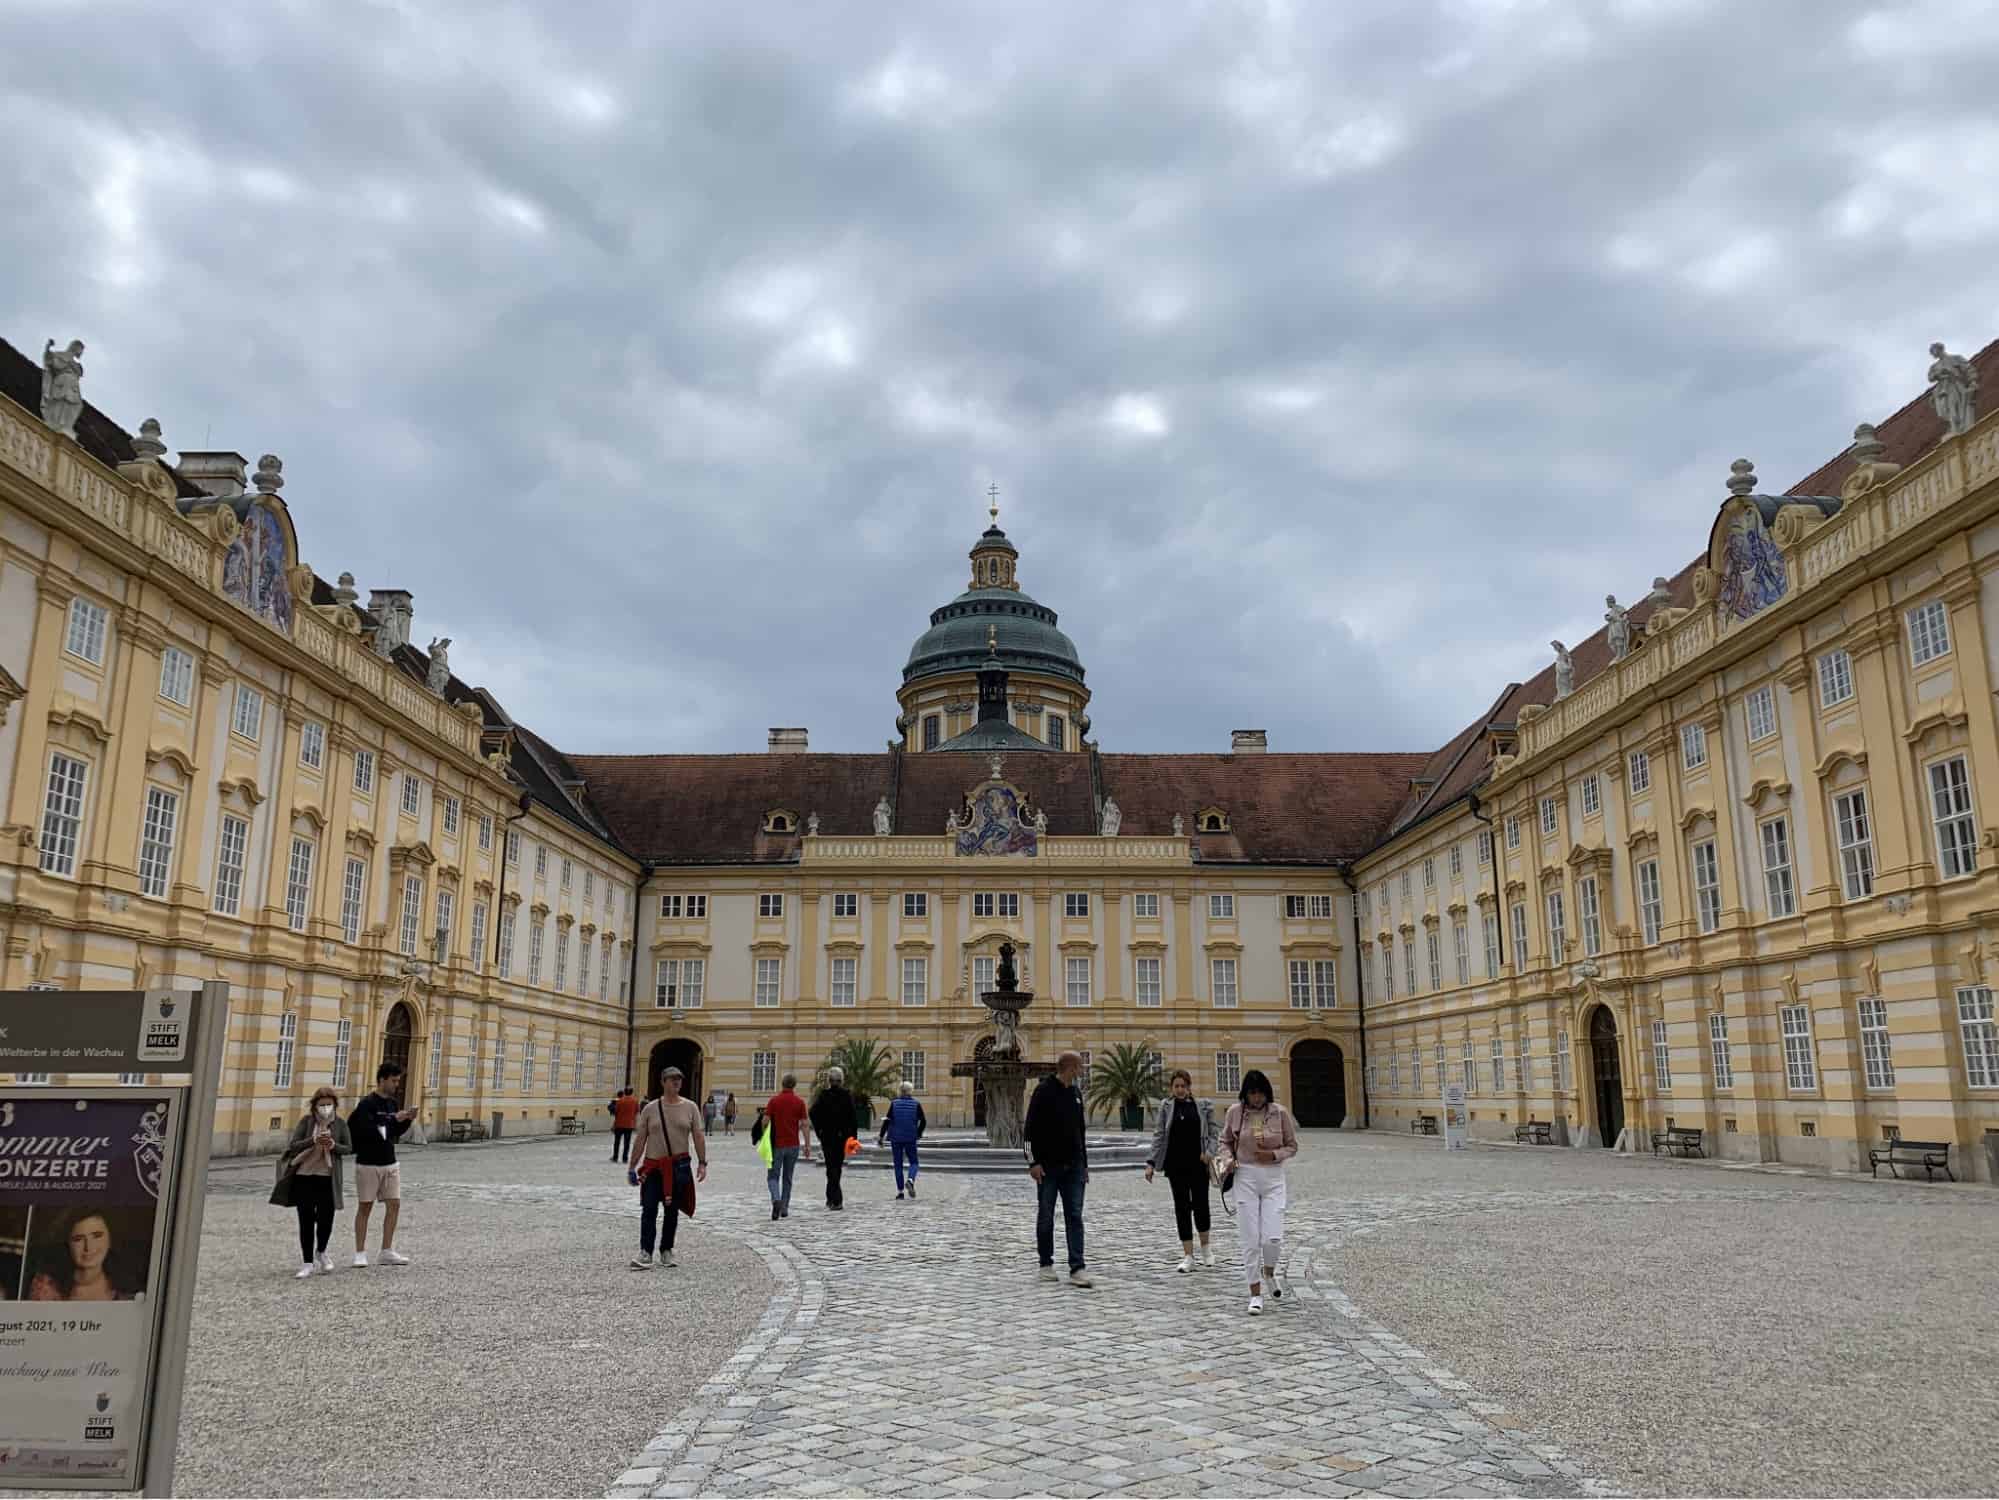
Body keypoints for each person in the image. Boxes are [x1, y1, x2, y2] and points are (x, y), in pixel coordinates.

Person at [1217, 1068, 1299, 1315]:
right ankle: (1255, 1293)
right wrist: (1227, 1158)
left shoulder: (1279, 1113)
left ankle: (1270, 1271)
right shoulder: (1235, 1112)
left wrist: (1273, 1154)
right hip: (1245, 1176)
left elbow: (1292, 1146)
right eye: (1252, 1094)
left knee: (1272, 1237)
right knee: (1250, 1239)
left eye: (1260, 1094)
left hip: (1273, 1176)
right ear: (1246, 1093)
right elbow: (1224, 1142)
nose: (1256, 1099)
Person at [1024, 1051, 1092, 1288]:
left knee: (1075, 1216)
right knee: (1046, 1216)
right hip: (1048, 1168)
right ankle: (1045, 1264)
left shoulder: (1075, 1093)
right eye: (1080, 1067)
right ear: (1070, 1068)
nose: (1082, 1071)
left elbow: (1080, 1133)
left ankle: (1077, 1267)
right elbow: (1029, 1130)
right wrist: (1032, 1162)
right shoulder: (1043, 1091)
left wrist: (1084, 1165)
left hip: (1074, 1167)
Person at [629, 1065, 707, 1268]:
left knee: (671, 1210)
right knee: (648, 1209)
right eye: (672, 1079)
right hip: (653, 1167)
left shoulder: (690, 1107)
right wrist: (632, 1165)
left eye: (679, 1079)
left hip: (677, 1166)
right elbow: (640, 1139)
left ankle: (666, 1250)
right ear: (663, 1082)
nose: (676, 1082)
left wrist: (702, 1162)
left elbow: (698, 1136)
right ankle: (646, 1251)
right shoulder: (650, 1108)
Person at [272, 1086, 353, 1278]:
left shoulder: (340, 1124)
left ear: (335, 1105)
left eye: (329, 1104)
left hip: (327, 1178)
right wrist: (312, 1140)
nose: (326, 1108)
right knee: (306, 1219)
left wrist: (333, 1145)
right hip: (304, 1176)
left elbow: (348, 1147)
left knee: (326, 1218)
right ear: (315, 1106)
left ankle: (321, 1251)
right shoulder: (307, 1122)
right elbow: (293, 1145)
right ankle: (307, 1261)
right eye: (322, 1104)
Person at [1144, 1069, 1218, 1272]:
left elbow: (1213, 1132)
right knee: (1182, 1208)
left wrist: (1210, 1152)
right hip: (1175, 1165)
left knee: (1201, 1205)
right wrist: (1151, 1163)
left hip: (1198, 1163)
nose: (1179, 1090)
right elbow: (1159, 1135)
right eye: (1176, 1086)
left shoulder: (1202, 1106)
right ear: (1172, 1088)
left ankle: (1206, 1249)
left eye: (1183, 1086)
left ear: (1189, 1087)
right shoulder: (1167, 1107)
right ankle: (1188, 1255)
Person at [348, 1061, 415, 1268]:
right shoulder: (366, 1104)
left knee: (394, 1204)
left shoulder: (393, 1103)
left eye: (398, 1080)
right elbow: (369, 1131)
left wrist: (406, 1120)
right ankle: (360, 1252)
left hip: (389, 1161)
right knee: (365, 1207)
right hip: (368, 1162)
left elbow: (393, 1133)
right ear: (383, 1079)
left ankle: (386, 1250)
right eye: (394, 1081)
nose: (397, 1084)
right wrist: (393, 1119)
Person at [27, 1209, 135, 1301]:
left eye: (97, 1236)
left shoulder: (128, 1294)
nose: (88, 1247)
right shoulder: (45, 1288)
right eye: (78, 1239)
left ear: (110, 1239)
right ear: (67, 1244)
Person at [807, 1067, 858, 1211]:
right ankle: (836, 1200)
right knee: (836, 1167)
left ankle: (831, 1198)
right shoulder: (846, 1095)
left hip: (828, 1137)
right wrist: (853, 1138)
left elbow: (813, 1113)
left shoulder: (824, 1095)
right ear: (841, 1081)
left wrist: (819, 1131)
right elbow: (853, 1119)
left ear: (829, 1081)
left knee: (831, 1168)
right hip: (842, 1137)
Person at [763, 1073, 811, 1220]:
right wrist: (807, 1145)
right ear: (794, 1085)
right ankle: (784, 1207)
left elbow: (765, 1121)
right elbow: (804, 1125)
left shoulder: (774, 1101)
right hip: (793, 1145)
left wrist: (765, 1134)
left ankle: (776, 1199)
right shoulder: (799, 1102)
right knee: (788, 1178)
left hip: (777, 1144)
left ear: (782, 1084)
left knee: (772, 1176)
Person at [878, 1080, 927, 1200]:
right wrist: (918, 1133)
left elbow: (887, 1120)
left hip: (896, 1137)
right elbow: (923, 1121)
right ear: (911, 1091)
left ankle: (900, 1192)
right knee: (914, 1162)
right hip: (910, 1137)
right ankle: (910, 1180)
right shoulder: (916, 1104)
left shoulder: (894, 1103)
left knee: (898, 1164)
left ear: (900, 1091)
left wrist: (881, 1136)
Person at [609, 1088, 639, 1163]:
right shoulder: (635, 1101)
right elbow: (636, 1111)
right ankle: (625, 1158)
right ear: (632, 1093)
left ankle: (615, 1157)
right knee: (627, 1143)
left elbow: (616, 1112)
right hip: (629, 1124)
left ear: (625, 1092)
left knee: (617, 1142)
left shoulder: (620, 1101)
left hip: (619, 1124)